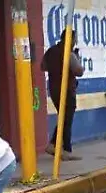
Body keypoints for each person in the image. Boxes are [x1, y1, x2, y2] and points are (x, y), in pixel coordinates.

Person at [41, 30, 84, 160]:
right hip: (67, 90)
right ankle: (65, 149)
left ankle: (54, 145)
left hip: (53, 90)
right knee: (67, 120)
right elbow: (79, 71)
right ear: (70, 40)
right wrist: (76, 58)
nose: (75, 41)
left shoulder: (51, 51)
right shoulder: (69, 54)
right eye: (75, 39)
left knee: (63, 118)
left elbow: (43, 67)